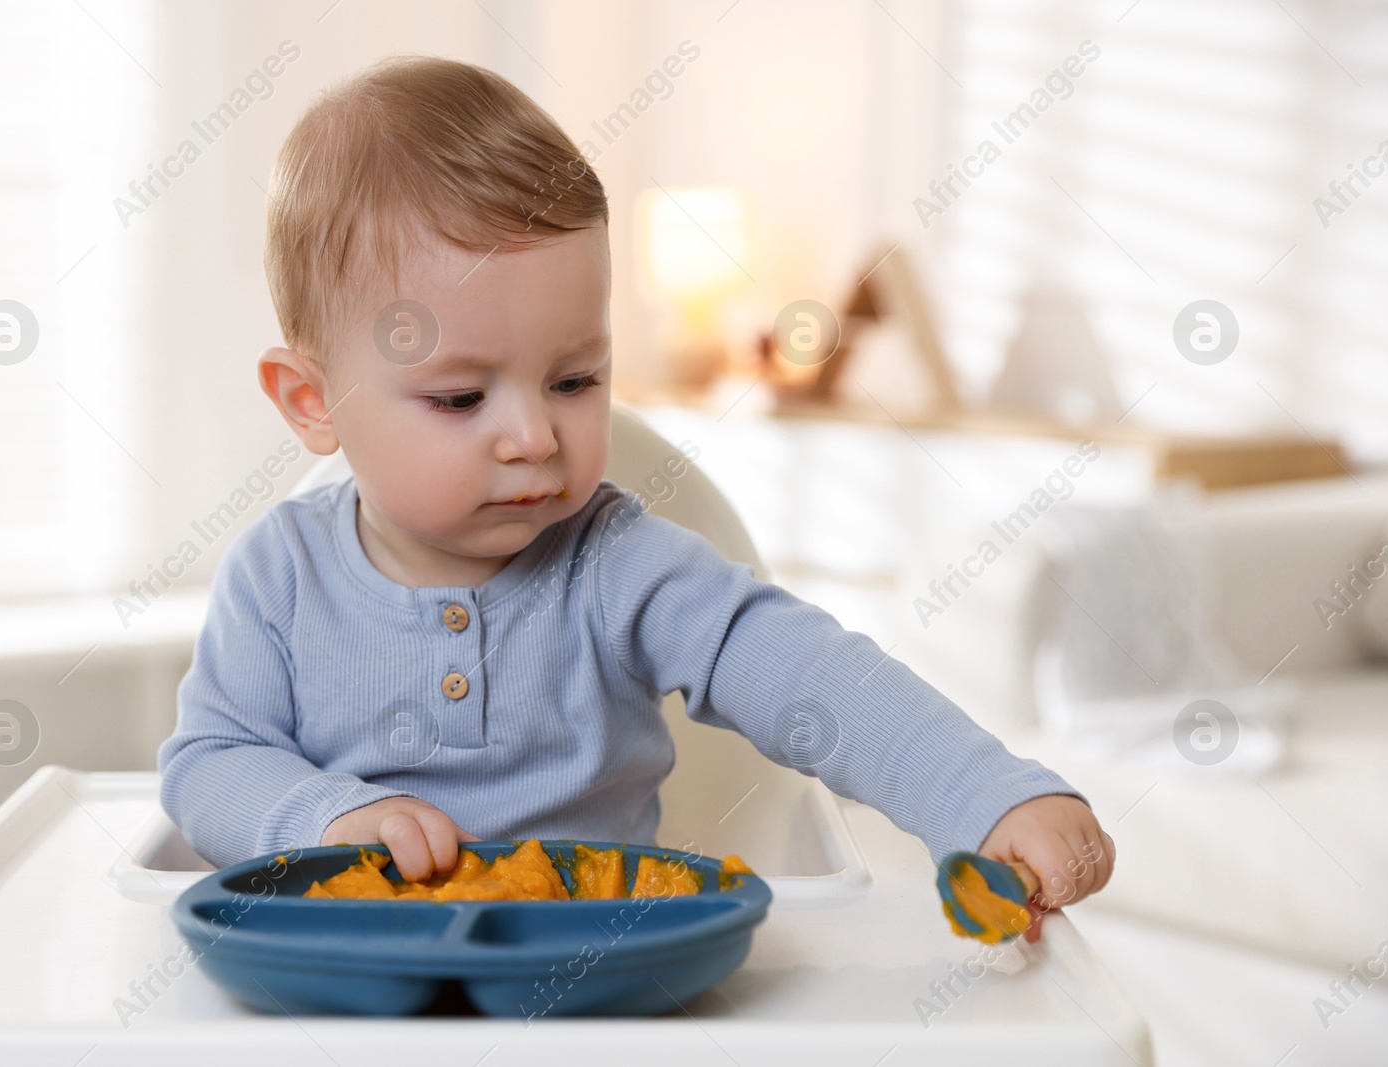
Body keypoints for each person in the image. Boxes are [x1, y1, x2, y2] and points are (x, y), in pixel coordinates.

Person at [157, 56, 1114, 930]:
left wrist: (985, 792)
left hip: (599, 980)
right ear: (312, 400)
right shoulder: (276, 580)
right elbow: (207, 766)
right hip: (348, 968)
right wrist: (326, 817)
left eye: (575, 381)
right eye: (459, 396)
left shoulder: (618, 565)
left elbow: (810, 675)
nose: (534, 436)